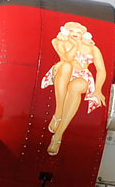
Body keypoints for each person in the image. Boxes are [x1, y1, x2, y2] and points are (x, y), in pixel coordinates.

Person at [40, 21, 107, 156]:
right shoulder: (58, 42)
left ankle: (58, 136)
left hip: (82, 75)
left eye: (79, 32)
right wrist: (75, 46)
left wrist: (98, 89)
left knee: (77, 86)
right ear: (65, 32)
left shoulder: (93, 49)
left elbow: (101, 70)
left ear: (84, 34)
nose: (75, 35)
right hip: (62, 71)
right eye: (72, 31)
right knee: (66, 67)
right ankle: (58, 113)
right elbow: (67, 59)